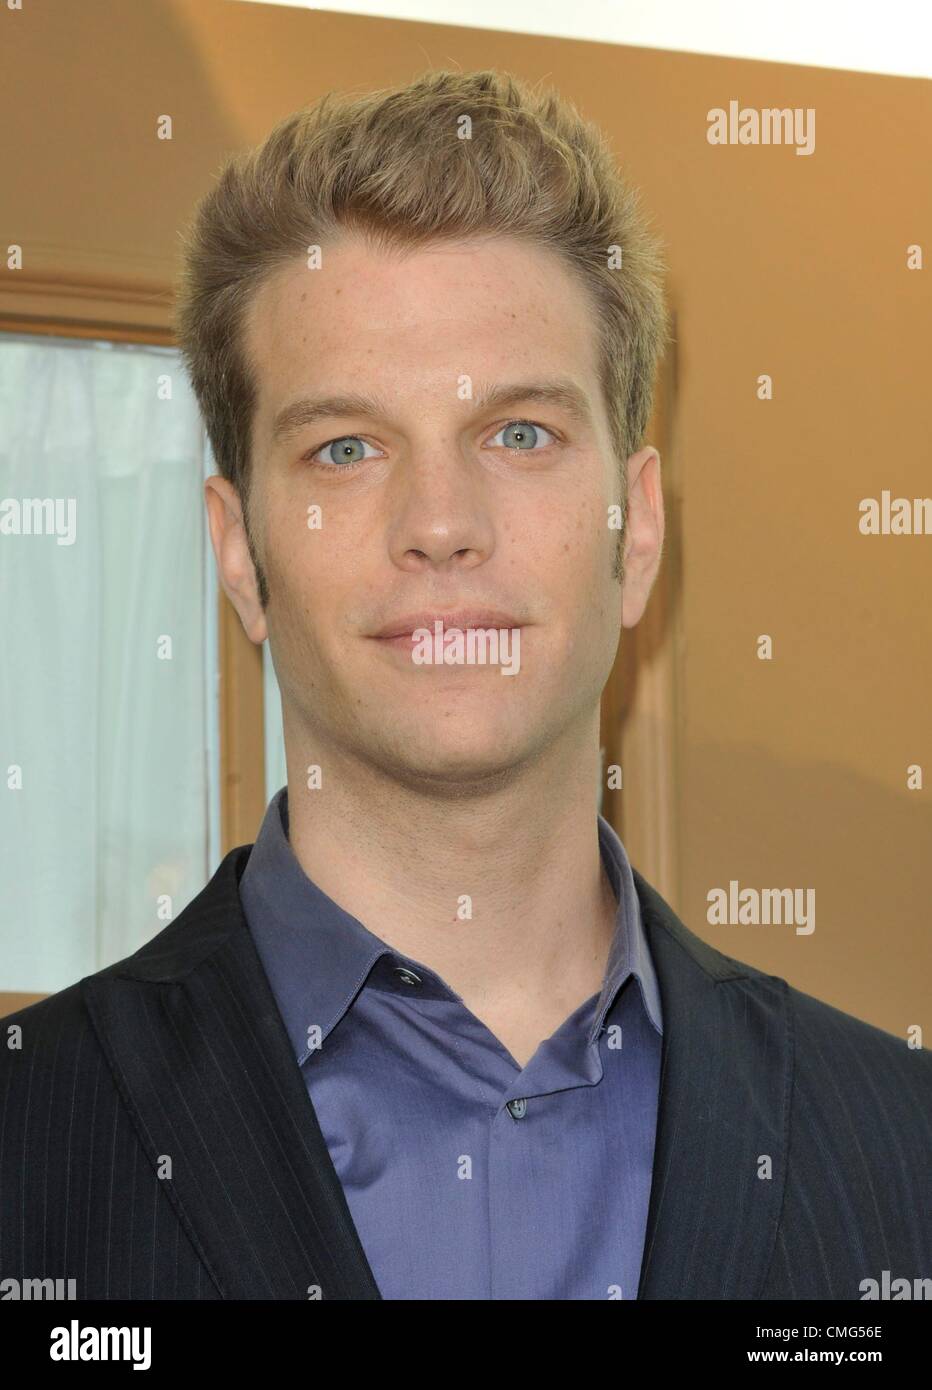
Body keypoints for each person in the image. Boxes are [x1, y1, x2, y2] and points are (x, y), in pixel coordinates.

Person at [2, 69, 929, 1302]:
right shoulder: (26, 1147)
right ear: (240, 555)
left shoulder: (902, 1154)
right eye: (345, 447)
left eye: (518, 433)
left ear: (635, 528)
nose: (439, 525)